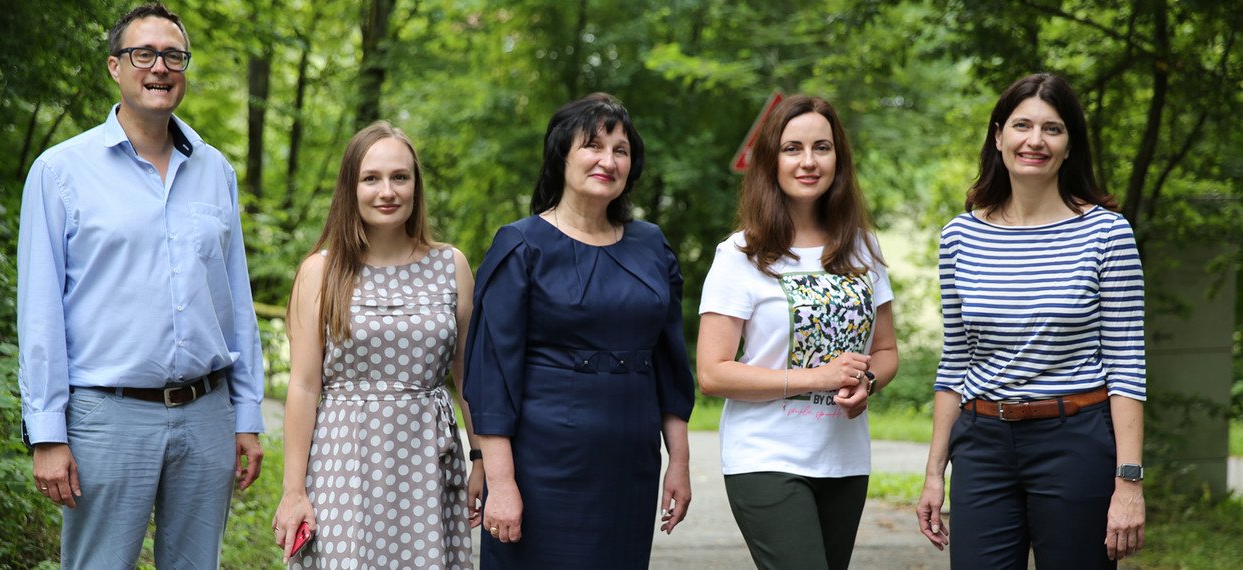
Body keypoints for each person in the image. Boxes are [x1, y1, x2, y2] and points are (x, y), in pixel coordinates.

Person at [17, 2, 265, 567]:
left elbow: (236, 304)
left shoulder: (215, 171)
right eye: (143, 54)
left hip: (207, 415)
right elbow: (39, 312)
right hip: (106, 417)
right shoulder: (60, 172)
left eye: (173, 55)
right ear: (115, 66)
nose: (159, 67)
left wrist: (247, 414)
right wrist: (47, 431)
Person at [915, 72, 1147, 569]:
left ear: (1069, 145)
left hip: (1075, 441)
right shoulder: (960, 237)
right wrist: (935, 471)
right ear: (998, 137)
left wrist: (1128, 483)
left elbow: (1128, 363)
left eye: (1053, 129)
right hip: (981, 445)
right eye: (1022, 125)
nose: (1035, 141)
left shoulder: (1107, 234)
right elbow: (955, 359)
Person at [462, 92, 696, 568]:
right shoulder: (521, 245)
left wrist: (680, 463)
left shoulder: (652, 247)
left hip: (630, 467)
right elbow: (492, 378)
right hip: (542, 467)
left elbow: (670, 364)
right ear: (562, 154)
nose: (607, 161)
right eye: (593, 145)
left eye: (621, 150)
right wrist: (502, 485)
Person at [696, 95, 899, 570]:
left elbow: (886, 350)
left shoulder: (863, 248)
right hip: (765, 456)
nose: (808, 161)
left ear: (838, 159)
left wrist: (867, 382)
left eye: (821, 148)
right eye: (792, 148)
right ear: (771, 161)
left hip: (844, 458)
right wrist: (817, 378)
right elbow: (712, 373)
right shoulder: (740, 255)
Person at [271, 121, 481, 568]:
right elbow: (304, 387)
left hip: (427, 459)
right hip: (343, 460)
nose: (387, 191)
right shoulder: (320, 272)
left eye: (399, 177)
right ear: (352, 187)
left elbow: (469, 379)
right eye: (371, 178)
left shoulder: (452, 265)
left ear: (415, 185)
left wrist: (481, 457)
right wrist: (294, 492)